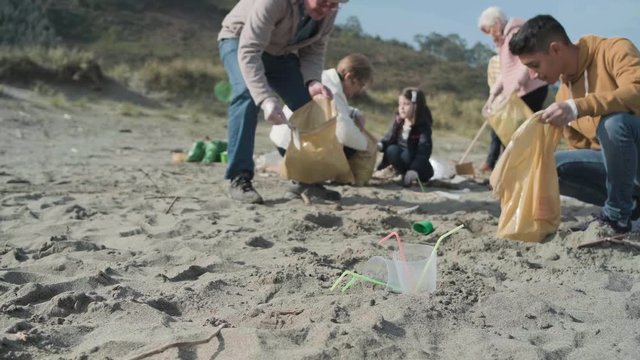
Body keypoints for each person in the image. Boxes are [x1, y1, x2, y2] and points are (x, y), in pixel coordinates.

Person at [509, 15, 640, 233]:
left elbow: (636, 91)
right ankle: (633, 207)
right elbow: (581, 151)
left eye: (534, 64)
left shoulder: (614, 49)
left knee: (614, 124)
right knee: (551, 166)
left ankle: (617, 217)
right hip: (625, 173)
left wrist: (579, 106)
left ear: (556, 49)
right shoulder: (563, 95)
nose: (533, 75)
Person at [217, 0, 347, 204]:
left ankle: (305, 180)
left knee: (308, 104)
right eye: (323, 2)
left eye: (334, 4)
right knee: (246, 94)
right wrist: (266, 99)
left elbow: (314, 49)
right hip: (239, 40)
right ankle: (239, 177)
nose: (328, 9)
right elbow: (249, 51)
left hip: (278, 53)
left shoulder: (328, 10)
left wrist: (312, 81)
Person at [269, 53, 373, 199]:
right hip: (293, 146)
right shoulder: (333, 90)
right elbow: (345, 133)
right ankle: (304, 183)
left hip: (283, 139)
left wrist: (354, 112)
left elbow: (327, 109)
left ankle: (306, 182)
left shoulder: (323, 77)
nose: (359, 91)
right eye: (360, 85)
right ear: (349, 77)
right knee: (350, 147)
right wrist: (366, 143)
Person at [477, 6, 549, 172]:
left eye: (489, 30)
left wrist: (516, 85)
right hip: (518, 91)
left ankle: (515, 170)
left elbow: (524, 62)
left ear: (496, 23)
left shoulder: (515, 32)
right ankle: (508, 171)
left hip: (531, 89)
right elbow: (506, 72)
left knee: (518, 132)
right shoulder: (504, 40)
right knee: (508, 132)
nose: (490, 35)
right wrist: (493, 95)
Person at [376, 87, 434, 187]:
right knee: (391, 149)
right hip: (401, 159)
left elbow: (423, 150)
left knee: (408, 153)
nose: (401, 108)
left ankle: (410, 174)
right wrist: (380, 145)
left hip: (418, 165)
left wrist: (414, 170)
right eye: (400, 104)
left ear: (416, 106)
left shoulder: (423, 127)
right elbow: (389, 137)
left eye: (406, 104)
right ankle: (401, 173)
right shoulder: (398, 121)